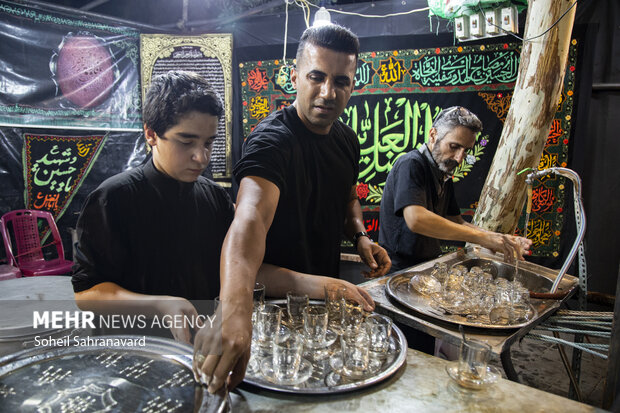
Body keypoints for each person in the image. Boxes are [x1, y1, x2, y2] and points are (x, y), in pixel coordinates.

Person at [194, 24, 391, 393]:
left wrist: (361, 237)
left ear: (353, 84)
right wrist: (234, 309)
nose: (328, 92)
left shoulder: (347, 140)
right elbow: (249, 219)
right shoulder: (272, 142)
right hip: (269, 315)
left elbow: (348, 197)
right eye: (316, 77)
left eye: (341, 81)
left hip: (320, 312)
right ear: (295, 75)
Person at [379, 106, 532, 273]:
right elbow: (416, 219)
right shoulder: (411, 164)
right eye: (453, 146)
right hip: (398, 270)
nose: (459, 158)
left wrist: (501, 239)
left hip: (425, 268)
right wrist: (485, 238)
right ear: (433, 135)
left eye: (465, 151)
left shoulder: (443, 173)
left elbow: (457, 221)